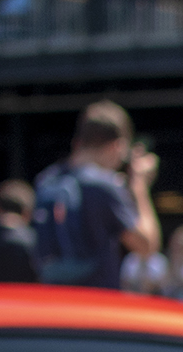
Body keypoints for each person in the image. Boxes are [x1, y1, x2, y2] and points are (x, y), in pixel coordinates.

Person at [31, 100, 161, 289]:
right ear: (116, 146)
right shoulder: (104, 185)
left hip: (53, 302)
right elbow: (147, 246)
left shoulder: (46, 181)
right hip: (96, 304)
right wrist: (139, 186)